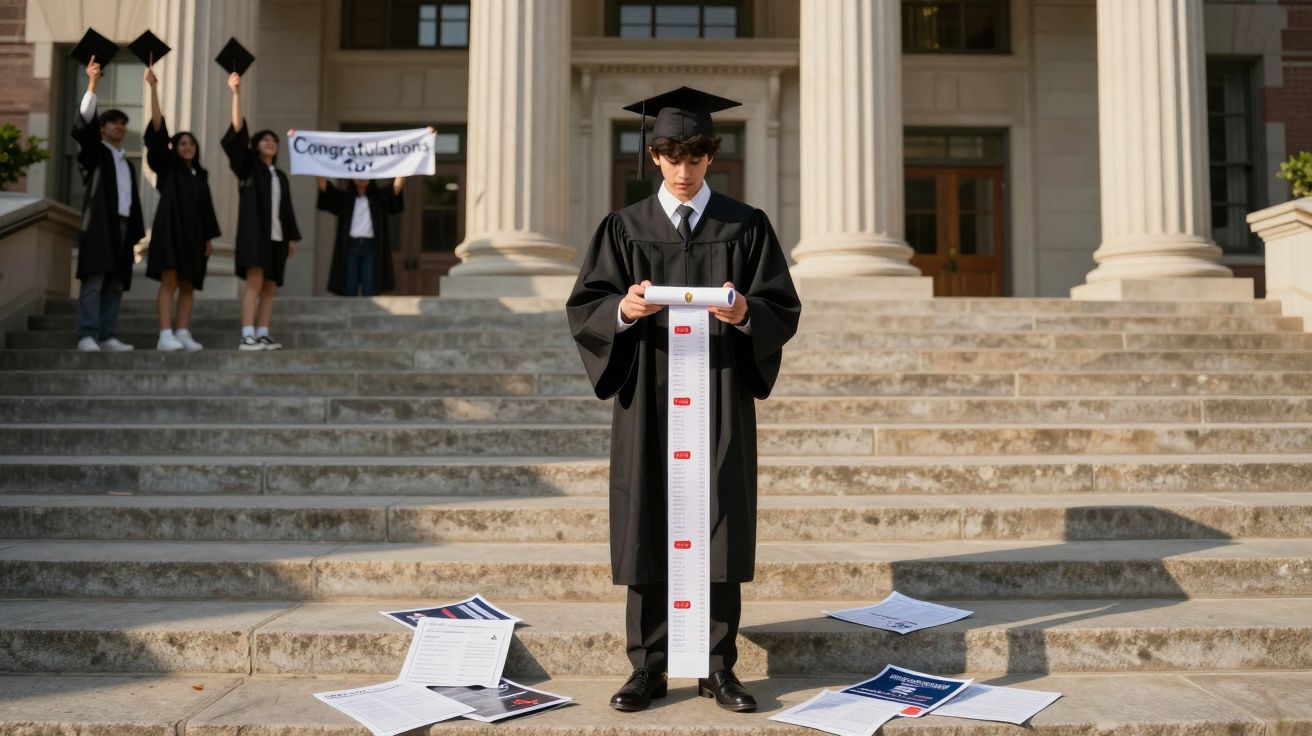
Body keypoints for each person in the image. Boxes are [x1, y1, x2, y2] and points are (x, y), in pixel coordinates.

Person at [565, 87, 801, 714]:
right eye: (672, 158)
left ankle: (718, 667)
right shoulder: (624, 228)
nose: (684, 170)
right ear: (655, 156)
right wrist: (622, 309)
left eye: (695, 158)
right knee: (646, 517)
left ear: (710, 157)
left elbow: (782, 306)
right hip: (648, 392)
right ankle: (647, 666)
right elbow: (586, 305)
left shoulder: (745, 226)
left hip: (719, 389)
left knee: (719, 517)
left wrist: (746, 313)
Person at [143, 65, 221, 351]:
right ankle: (165, 334)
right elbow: (157, 131)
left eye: (191, 143)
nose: (187, 147)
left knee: (188, 284)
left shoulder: (200, 176)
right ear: (175, 148)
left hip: (194, 236)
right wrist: (153, 88)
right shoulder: (168, 169)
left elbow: (207, 209)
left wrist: (208, 238)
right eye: (182, 143)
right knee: (170, 281)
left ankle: (183, 331)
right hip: (170, 232)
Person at [221, 70, 300, 351]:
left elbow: (286, 208)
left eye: (273, 140)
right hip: (255, 235)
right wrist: (236, 93)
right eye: (264, 139)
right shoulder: (249, 168)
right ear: (255, 146)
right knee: (254, 282)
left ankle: (263, 332)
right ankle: (248, 334)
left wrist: (291, 237)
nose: (270, 142)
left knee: (270, 285)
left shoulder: (279, 176)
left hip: (277, 237)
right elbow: (237, 132)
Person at [71, 55, 145, 352]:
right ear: (101, 128)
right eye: (113, 122)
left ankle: (108, 334)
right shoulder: (95, 154)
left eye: (123, 123)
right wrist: (92, 83)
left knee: (115, 280)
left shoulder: (126, 163)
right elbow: (84, 124)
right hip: (100, 223)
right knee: (95, 278)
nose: (119, 126)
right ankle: (87, 334)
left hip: (124, 224)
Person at [315, 172, 406, 297]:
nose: (362, 177)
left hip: (371, 248)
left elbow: (396, 187)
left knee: (370, 289)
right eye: (358, 173)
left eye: (365, 173)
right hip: (350, 248)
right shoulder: (345, 199)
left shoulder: (379, 198)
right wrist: (315, 166)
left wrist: (404, 168)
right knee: (349, 288)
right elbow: (324, 187)